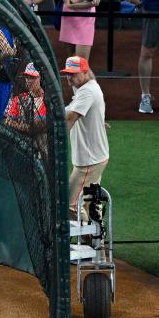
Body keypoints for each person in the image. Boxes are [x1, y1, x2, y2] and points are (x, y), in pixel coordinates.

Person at [62, 56, 109, 222]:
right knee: (91, 203)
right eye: (67, 73)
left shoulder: (87, 91)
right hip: (96, 156)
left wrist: (53, 137)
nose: (69, 77)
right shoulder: (88, 87)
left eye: (73, 74)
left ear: (85, 72)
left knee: (70, 204)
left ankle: (89, 239)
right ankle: (98, 244)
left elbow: (70, 117)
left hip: (88, 161)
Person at [4, 62, 47, 135]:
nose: (29, 81)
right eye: (27, 77)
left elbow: (35, 129)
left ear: (41, 77)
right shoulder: (18, 99)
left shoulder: (46, 101)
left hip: (40, 144)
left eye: (33, 77)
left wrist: (15, 124)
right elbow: (7, 122)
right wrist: (24, 127)